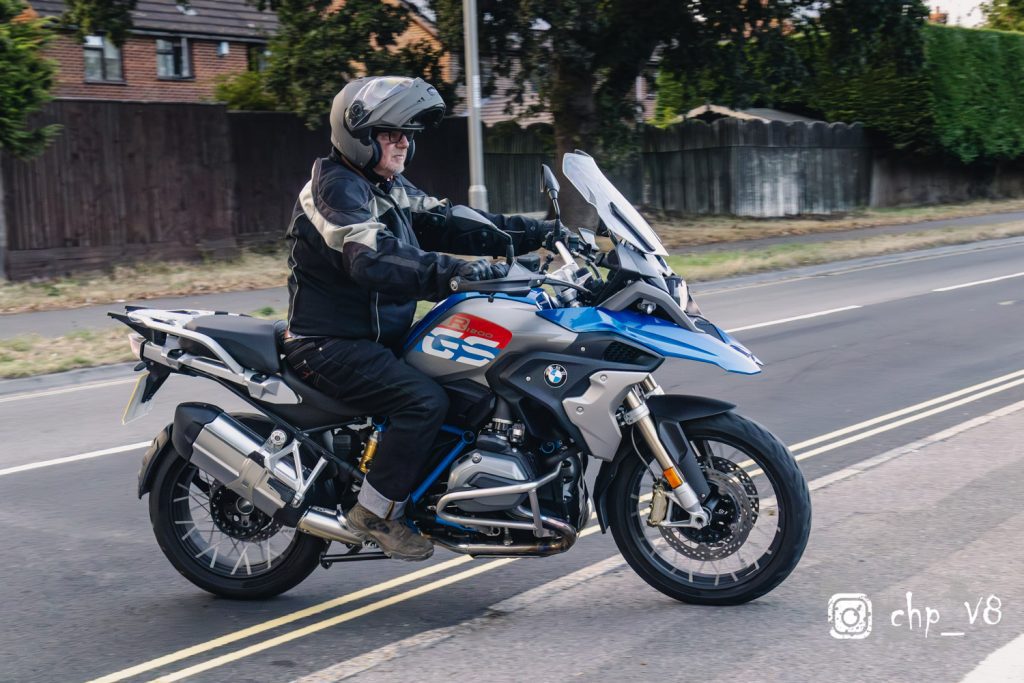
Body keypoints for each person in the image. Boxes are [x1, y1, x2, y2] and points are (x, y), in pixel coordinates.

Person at [281, 76, 557, 561]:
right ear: (359, 136)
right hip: (329, 343)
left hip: (379, 339)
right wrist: (455, 274)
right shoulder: (335, 189)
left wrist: (542, 233)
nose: (404, 142)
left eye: (408, 133)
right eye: (391, 133)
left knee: (470, 387)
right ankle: (374, 512)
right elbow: (372, 256)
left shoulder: (386, 187)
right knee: (423, 401)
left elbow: (451, 221)